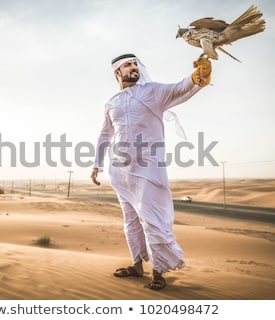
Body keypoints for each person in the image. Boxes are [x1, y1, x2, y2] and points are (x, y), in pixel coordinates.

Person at [91, 53, 211, 290]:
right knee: (131, 221)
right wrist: (97, 164)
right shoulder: (112, 102)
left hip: (149, 169)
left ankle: (158, 272)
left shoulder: (154, 92)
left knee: (153, 220)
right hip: (120, 171)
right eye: (128, 65)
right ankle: (137, 266)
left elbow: (180, 88)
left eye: (136, 64)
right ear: (118, 72)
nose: (134, 67)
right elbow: (105, 135)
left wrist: (198, 76)